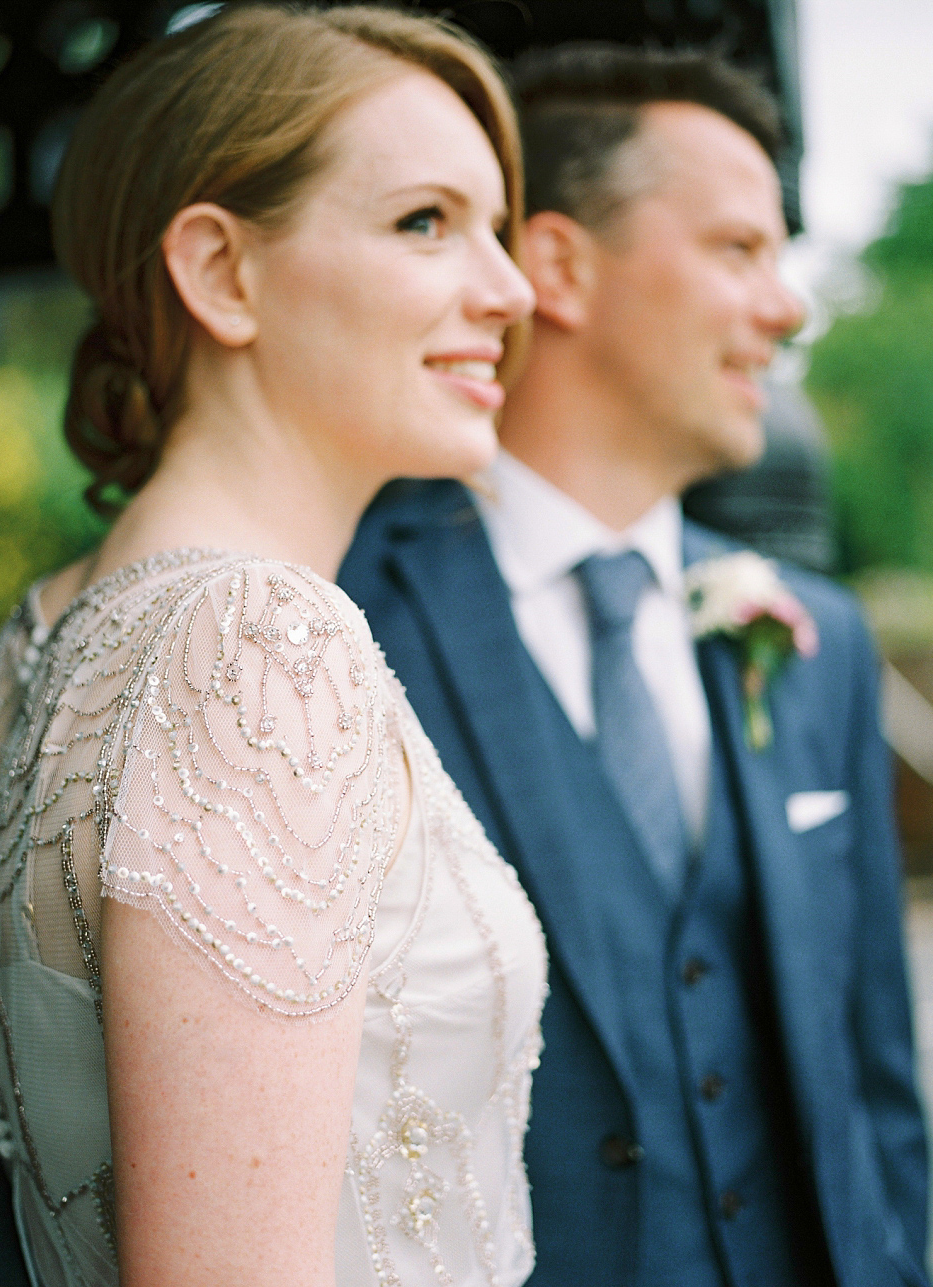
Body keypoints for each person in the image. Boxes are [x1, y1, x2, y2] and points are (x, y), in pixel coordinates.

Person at [0, 7, 547, 1286]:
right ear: (222, 272)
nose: (510, 290)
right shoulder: (256, 646)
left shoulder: (41, 635)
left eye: (497, 229)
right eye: (426, 222)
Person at [340, 43, 930, 1287]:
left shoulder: (811, 646)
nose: (786, 306)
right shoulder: (340, 628)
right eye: (739, 251)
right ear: (558, 265)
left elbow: (879, 1090)